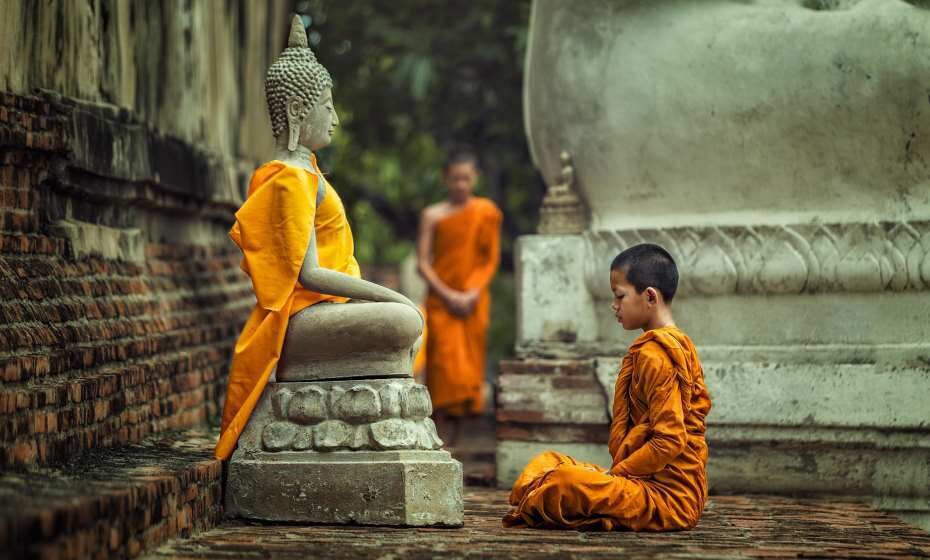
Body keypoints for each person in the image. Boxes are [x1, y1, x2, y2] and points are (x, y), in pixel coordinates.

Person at [214, 17, 421, 461]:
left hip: (322, 313)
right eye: (327, 106)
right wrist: (392, 298)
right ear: (295, 112)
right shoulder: (288, 178)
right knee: (404, 321)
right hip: (301, 316)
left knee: (407, 322)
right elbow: (307, 274)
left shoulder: (305, 172)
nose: (336, 118)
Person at [502, 243, 713, 531]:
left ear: (649, 296)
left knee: (562, 484)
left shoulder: (658, 354)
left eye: (619, 296)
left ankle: (550, 495)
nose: (614, 306)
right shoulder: (671, 344)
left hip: (668, 499)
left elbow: (670, 441)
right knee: (546, 462)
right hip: (638, 482)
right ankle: (551, 492)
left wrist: (618, 475)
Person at [416, 150, 502, 446]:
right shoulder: (433, 215)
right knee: (442, 368)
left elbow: (489, 259)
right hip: (442, 301)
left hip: (473, 301)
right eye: (455, 179)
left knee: (468, 372)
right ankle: (438, 437)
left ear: (475, 178)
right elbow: (422, 263)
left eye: (467, 178)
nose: (461, 185)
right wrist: (449, 294)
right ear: (445, 179)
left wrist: (471, 293)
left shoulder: (486, 211)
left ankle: (460, 444)